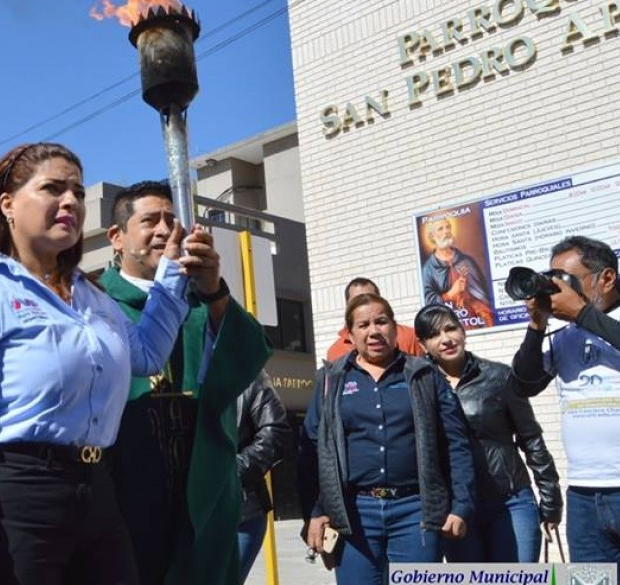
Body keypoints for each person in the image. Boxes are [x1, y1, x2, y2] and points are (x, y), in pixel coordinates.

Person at [0, 143, 211, 585]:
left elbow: (146, 355)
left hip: (99, 495)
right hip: (18, 497)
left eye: (77, 191)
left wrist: (172, 273)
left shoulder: (96, 301)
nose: (71, 200)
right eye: (53, 188)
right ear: (8, 205)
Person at [100, 180, 273, 585]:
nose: (164, 230)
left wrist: (213, 290)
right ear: (117, 237)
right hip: (126, 496)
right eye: (149, 221)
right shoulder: (97, 304)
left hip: (202, 494)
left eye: (170, 220)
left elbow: (247, 361)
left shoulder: (201, 302)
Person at [300, 293, 474, 585]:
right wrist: (314, 513)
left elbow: (456, 443)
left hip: (416, 510)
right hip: (355, 513)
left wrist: (461, 505)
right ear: (351, 334)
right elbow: (312, 448)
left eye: (381, 321)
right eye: (363, 325)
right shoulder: (331, 379)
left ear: (394, 327)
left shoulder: (424, 375)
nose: (373, 331)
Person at [511, 235, 620, 581]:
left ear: (606, 278)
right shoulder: (564, 335)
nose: (557, 290)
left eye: (565, 280)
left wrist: (582, 314)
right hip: (583, 495)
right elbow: (523, 384)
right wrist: (536, 327)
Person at [414, 304, 561, 562]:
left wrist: (550, 498)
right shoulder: (418, 388)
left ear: (463, 331)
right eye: (434, 335)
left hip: (510, 500)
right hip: (457, 509)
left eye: (451, 329)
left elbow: (531, 438)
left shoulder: (499, 376)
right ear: (423, 344)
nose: (446, 339)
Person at [235, 374, 289, 583]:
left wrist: (228, 473)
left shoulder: (249, 372)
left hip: (242, 511)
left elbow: (275, 431)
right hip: (183, 514)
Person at [325, 278, 423, 362]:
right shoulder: (336, 351)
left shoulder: (409, 337)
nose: (365, 305)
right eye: (357, 301)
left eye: (370, 298)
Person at [421, 218, 495, 328]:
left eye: (448, 227)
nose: (446, 231)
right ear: (432, 236)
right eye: (440, 229)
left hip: (473, 320)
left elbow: (483, 296)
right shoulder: (428, 269)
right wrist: (450, 294)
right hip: (447, 323)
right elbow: (428, 302)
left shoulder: (466, 261)